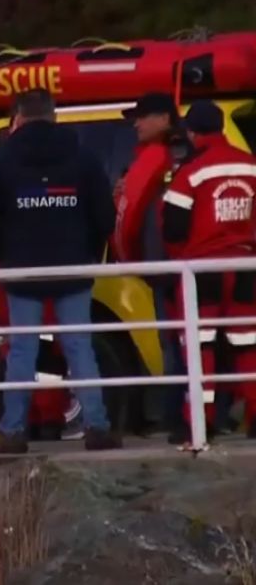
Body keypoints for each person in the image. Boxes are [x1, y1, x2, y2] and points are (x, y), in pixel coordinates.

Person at [0, 88, 121, 454]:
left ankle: (13, 432)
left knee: (21, 351)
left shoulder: (2, 162)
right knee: (79, 349)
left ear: (19, 118)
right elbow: (105, 216)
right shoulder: (83, 158)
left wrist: (7, 255)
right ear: (54, 116)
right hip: (72, 268)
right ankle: (97, 427)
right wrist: (87, 252)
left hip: (22, 272)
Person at [160, 100, 256, 442]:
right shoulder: (250, 165)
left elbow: (173, 228)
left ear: (191, 132)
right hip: (246, 266)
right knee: (248, 344)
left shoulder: (190, 171)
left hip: (202, 270)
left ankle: (200, 422)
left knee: (201, 348)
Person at [112, 92, 201, 440]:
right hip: (173, 266)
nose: (136, 123)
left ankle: (180, 416)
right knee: (184, 341)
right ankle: (188, 414)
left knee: (179, 342)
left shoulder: (165, 157)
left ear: (164, 118)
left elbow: (148, 218)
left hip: (171, 267)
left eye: (142, 116)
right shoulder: (163, 157)